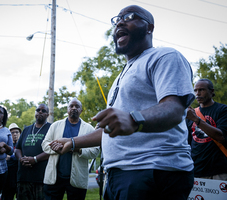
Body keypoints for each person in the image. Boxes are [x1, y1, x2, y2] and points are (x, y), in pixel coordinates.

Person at [49, 5, 196, 200]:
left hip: (153, 171)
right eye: (116, 19)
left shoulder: (165, 56)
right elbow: (114, 128)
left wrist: (133, 119)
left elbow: (175, 109)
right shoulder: (123, 74)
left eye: (129, 16)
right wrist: (73, 142)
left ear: (149, 27)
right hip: (119, 174)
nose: (119, 22)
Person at [42, 98, 100, 200]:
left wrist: (78, 149)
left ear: (81, 110)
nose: (74, 108)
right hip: (55, 178)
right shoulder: (55, 125)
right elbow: (45, 144)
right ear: (67, 109)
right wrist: (57, 148)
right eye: (71, 106)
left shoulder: (89, 129)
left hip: (77, 179)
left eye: (77, 106)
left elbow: (95, 151)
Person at [186, 78, 227, 180]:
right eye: (195, 90)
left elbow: (220, 136)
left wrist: (196, 119)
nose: (198, 93)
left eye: (202, 90)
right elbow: (188, 143)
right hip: (196, 170)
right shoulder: (191, 113)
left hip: (219, 170)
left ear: (211, 91)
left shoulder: (223, 110)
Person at [15, 104, 51, 200]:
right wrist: (21, 159)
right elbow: (17, 148)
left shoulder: (51, 129)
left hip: (41, 178)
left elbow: (53, 150)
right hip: (23, 176)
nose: (40, 111)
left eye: (43, 111)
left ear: (47, 114)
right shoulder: (27, 129)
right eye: (38, 109)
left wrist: (35, 159)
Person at [1, 123, 21, 200]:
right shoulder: (6, 145)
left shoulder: (22, 144)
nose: (15, 134)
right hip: (8, 176)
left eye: (17, 132)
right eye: (12, 132)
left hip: (19, 175)